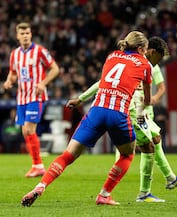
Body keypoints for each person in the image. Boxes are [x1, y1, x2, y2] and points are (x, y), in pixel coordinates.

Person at [21, 31, 153, 207]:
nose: (145, 53)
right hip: (117, 113)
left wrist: (81, 99)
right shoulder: (145, 64)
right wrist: (141, 111)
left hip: (96, 110)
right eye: (145, 49)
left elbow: (102, 82)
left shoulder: (112, 56)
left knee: (68, 155)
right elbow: (147, 99)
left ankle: (41, 185)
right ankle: (104, 195)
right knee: (128, 154)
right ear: (139, 48)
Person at [66, 36, 177, 203]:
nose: (158, 62)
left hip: (137, 110)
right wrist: (81, 99)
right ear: (151, 52)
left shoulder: (139, 62)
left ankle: (166, 179)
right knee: (148, 145)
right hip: (130, 110)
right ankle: (145, 192)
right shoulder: (138, 63)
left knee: (154, 140)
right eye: (159, 57)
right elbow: (102, 83)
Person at [3, 22, 59, 177]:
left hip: (36, 95)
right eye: (22, 33)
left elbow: (55, 69)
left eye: (27, 33)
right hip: (22, 97)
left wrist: (43, 83)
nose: (25, 36)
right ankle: (36, 165)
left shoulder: (40, 51)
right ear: (17, 36)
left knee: (29, 129)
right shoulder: (14, 54)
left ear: (31, 34)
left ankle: (39, 166)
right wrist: (9, 80)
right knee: (24, 131)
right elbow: (13, 72)